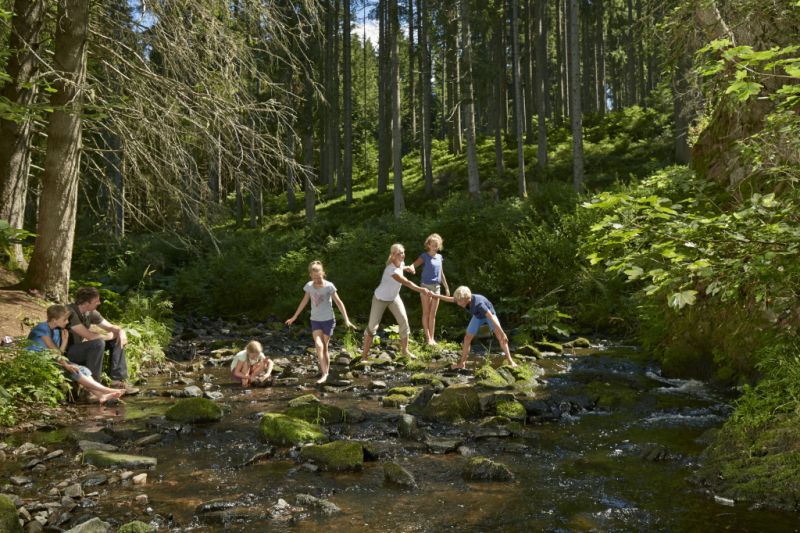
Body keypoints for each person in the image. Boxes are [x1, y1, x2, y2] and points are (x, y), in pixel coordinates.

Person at [27, 305, 126, 404]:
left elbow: (59, 353)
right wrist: (66, 365)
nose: (67, 322)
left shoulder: (57, 331)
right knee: (72, 370)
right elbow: (53, 351)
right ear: (54, 320)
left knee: (83, 370)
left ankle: (101, 395)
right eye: (64, 319)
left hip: (51, 360)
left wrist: (64, 341)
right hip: (37, 361)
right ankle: (106, 390)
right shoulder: (42, 328)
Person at [285, 261, 356, 384]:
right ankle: (324, 374)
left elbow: (339, 303)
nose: (317, 280)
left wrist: (347, 320)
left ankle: (326, 372)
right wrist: (294, 317)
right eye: (314, 277)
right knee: (319, 346)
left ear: (323, 273)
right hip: (315, 320)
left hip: (328, 320)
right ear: (310, 275)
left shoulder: (329, 286)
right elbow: (304, 301)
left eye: (319, 277)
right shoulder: (309, 286)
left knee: (325, 347)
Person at [362, 243, 431, 361]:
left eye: (403, 253)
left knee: (404, 320)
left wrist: (408, 268)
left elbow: (401, 267)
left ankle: (405, 351)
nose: (402, 255)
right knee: (372, 327)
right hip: (380, 299)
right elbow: (407, 283)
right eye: (399, 253)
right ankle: (364, 356)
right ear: (393, 255)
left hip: (394, 298)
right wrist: (422, 290)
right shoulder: (391, 270)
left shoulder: (400, 263)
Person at [65, 287, 138, 394]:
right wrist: (110, 335)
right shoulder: (70, 312)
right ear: (86, 303)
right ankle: (93, 386)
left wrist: (121, 332)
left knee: (116, 339)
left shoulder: (90, 312)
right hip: (67, 354)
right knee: (98, 343)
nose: (99, 303)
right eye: (96, 301)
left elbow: (111, 327)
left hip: (80, 349)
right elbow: (90, 336)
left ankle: (117, 382)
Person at [433, 286, 517, 369]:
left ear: (467, 299)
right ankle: (462, 364)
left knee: (501, 336)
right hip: (478, 317)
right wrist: (435, 295)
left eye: (459, 301)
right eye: (457, 301)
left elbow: (491, 317)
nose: (458, 303)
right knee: (467, 338)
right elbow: (449, 299)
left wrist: (503, 333)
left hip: (489, 315)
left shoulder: (479, 304)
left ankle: (510, 361)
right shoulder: (461, 298)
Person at [411, 233, 450, 345]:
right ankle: (428, 338)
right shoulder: (424, 256)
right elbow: (414, 265)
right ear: (428, 245)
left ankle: (432, 338)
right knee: (426, 312)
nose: (435, 247)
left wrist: (446, 288)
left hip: (437, 287)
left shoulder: (440, 257)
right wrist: (411, 268)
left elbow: (441, 273)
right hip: (425, 287)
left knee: (433, 314)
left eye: (436, 245)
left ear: (439, 246)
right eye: (433, 245)